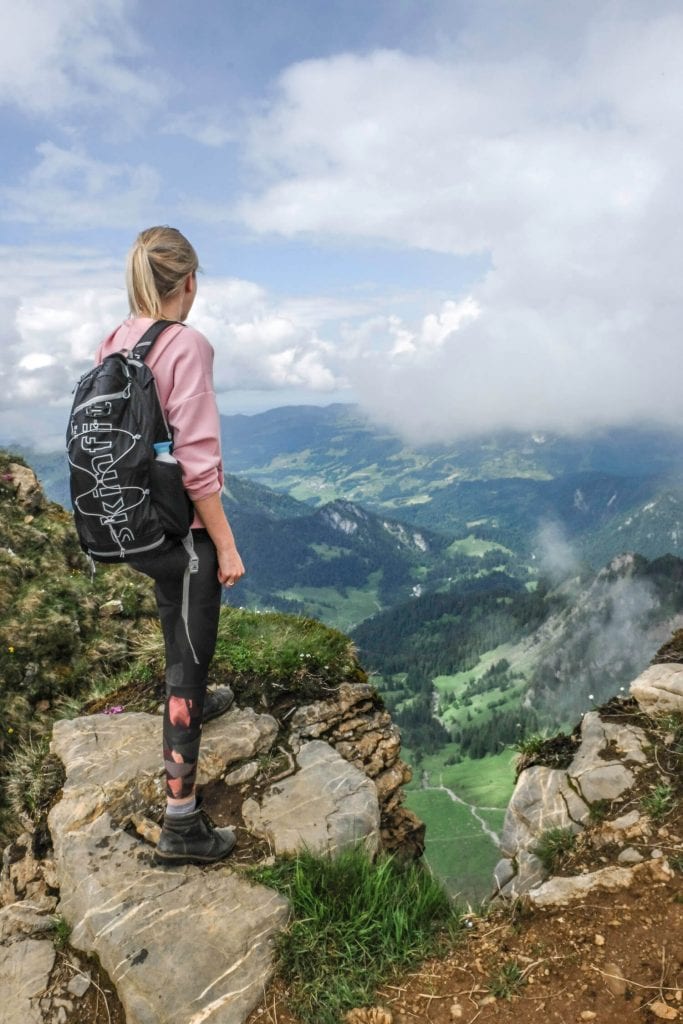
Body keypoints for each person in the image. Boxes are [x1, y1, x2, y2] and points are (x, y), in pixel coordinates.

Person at [96, 225, 245, 866]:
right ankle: (181, 824)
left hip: (129, 520)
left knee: (173, 608)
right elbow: (197, 464)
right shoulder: (188, 344)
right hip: (176, 525)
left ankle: (194, 699)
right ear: (188, 281)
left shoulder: (115, 339)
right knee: (190, 643)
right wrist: (226, 544)